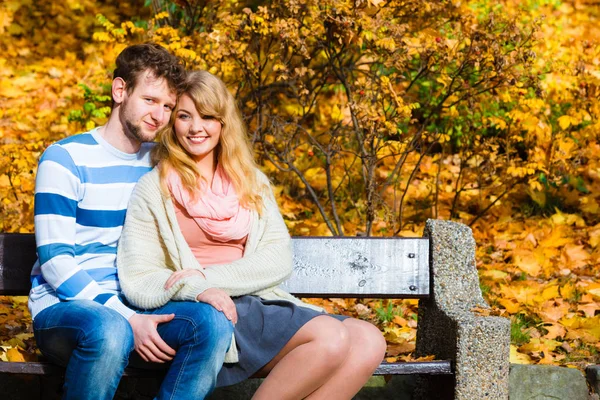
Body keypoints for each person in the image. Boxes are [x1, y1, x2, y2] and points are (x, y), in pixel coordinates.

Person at [117, 69, 387, 399]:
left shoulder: (250, 181)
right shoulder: (154, 188)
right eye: (185, 116)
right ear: (173, 123)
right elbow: (139, 277)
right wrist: (200, 289)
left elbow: (277, 259)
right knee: (330, 337)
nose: (196, 127)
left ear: (223, 123)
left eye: (207, 116)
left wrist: (207, 276)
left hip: (256, 302)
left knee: (369, 341)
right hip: (210, 313)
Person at [29, 44, 233, 400]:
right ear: (120, 91)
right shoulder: (65, 159)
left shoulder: (160, 162)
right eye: (151, 101)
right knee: (110, 330)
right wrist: (126, 317)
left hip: (143, 303)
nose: (160, 115)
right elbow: (56, 263)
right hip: (66, 310)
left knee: (213, 325)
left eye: (169, 106)